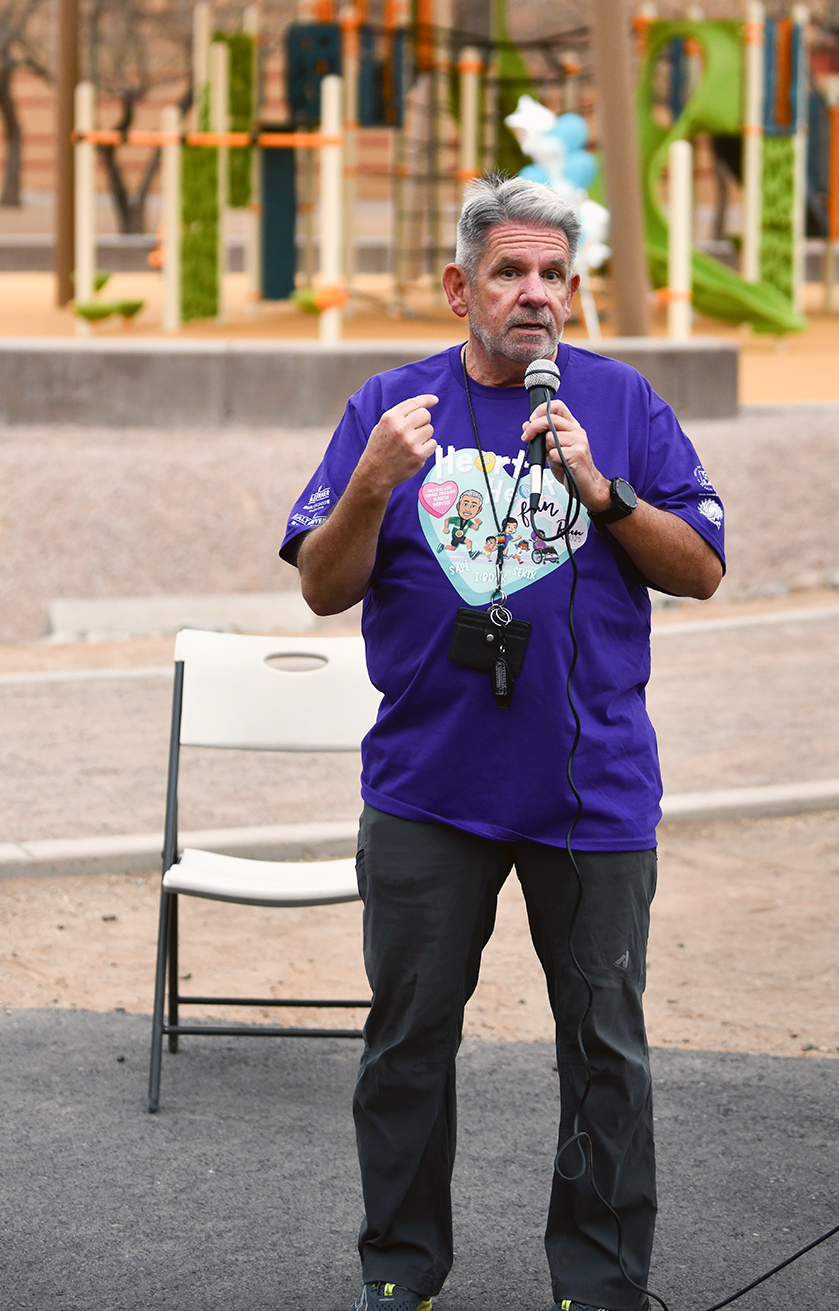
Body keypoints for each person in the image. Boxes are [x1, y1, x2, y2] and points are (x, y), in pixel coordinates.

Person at [281, 176, 725, 1311]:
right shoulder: (388, 407)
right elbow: (324, 591)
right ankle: (401, 1273)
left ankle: (602, 1280)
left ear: (573, 291)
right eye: (509, 273)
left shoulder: (623, 406)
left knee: (606, 1058)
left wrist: (600, 486)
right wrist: (372, 485)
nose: (535, 296)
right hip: (430, 791)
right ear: (458, 288)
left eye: (553, 276)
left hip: (594, 792)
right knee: (408, 1046)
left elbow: (704, 569)